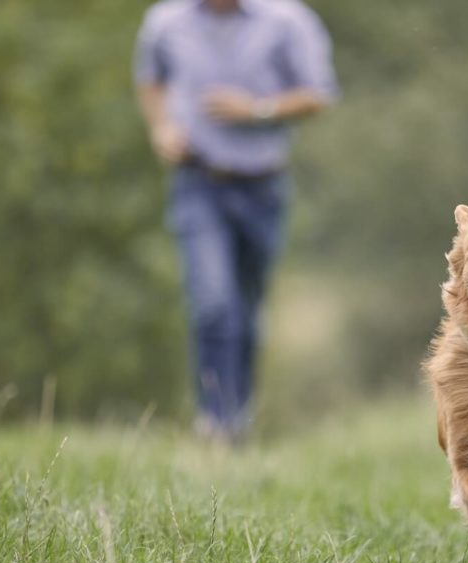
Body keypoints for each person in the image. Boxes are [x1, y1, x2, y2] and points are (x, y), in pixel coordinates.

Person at [133, 0, 338, 442]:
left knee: (245, 311)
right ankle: (215, 421)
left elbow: (319, 94)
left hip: (262, 186)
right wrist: (161, 129)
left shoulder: (287, 20)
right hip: (196, 181)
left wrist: (257, 109)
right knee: (212, 303)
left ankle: (238, 416)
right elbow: (150, 82)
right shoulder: (165, 21)